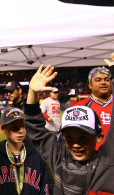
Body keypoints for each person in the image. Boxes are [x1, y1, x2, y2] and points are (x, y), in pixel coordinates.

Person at [24, 60, 114, 195]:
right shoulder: (60, 158)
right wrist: (32, 92)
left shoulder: (108, 158)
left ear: (99, 136)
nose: (76, 144)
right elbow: (34, 129)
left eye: (83, 136)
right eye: (70, 137)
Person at [0, 106, 52, 194]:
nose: (21, 131)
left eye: (23, 126)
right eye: (15, 127)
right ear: (4, 128)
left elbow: (45, 185)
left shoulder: (35, 154)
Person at [76, 66, 112, 149]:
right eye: (98, 80)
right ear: (90, 85)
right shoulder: (80, 107)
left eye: (107, 80)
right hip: (94, 157)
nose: (103, 82)